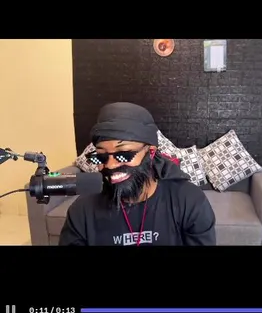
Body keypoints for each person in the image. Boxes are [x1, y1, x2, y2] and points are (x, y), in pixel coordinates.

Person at [59, 102, 216, 247]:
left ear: (151, 153)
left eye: (124, 154)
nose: (110, 165)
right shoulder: (82, 211)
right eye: (101, 156)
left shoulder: (189, 201)